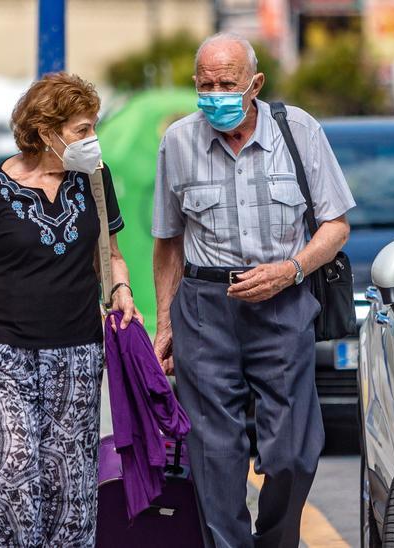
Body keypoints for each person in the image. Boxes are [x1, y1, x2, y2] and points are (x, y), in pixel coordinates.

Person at [151, 33, 355, 548]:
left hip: (283, 303)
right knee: (215, 452)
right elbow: (169, 243)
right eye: (206, 84)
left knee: (292, 452)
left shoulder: (299, 130)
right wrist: (165, 321)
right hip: (205, 308)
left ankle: (276, 540)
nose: (215, 93)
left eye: (227, 83)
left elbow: (335, 227)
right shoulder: (177, 141)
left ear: (255, 84)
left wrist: (291, 270)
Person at [0, 72, 141, 547]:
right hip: (3, 352)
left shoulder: (94, 178)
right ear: (47, 132)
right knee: (13, 469)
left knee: (71, 480)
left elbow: (109, 254)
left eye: (93, 128)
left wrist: (122, 291)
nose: (92, 140)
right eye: (81, 130)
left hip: (78, 352)